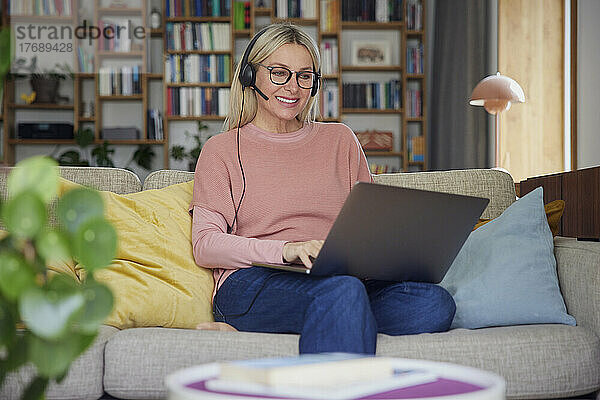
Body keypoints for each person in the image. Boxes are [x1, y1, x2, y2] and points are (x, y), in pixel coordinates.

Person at [190, 23, 455, 355]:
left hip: (342, 280)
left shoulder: (340, 140)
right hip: (256, 283)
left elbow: (370, 223)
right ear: (249, 76)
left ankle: (320, 320)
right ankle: (331, 327)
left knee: (434, 304)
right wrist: (285, 249)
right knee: (342, 293)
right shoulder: (223, 149)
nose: (294, 87)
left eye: (305, 76)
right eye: (279, 74)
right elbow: (205, 245)